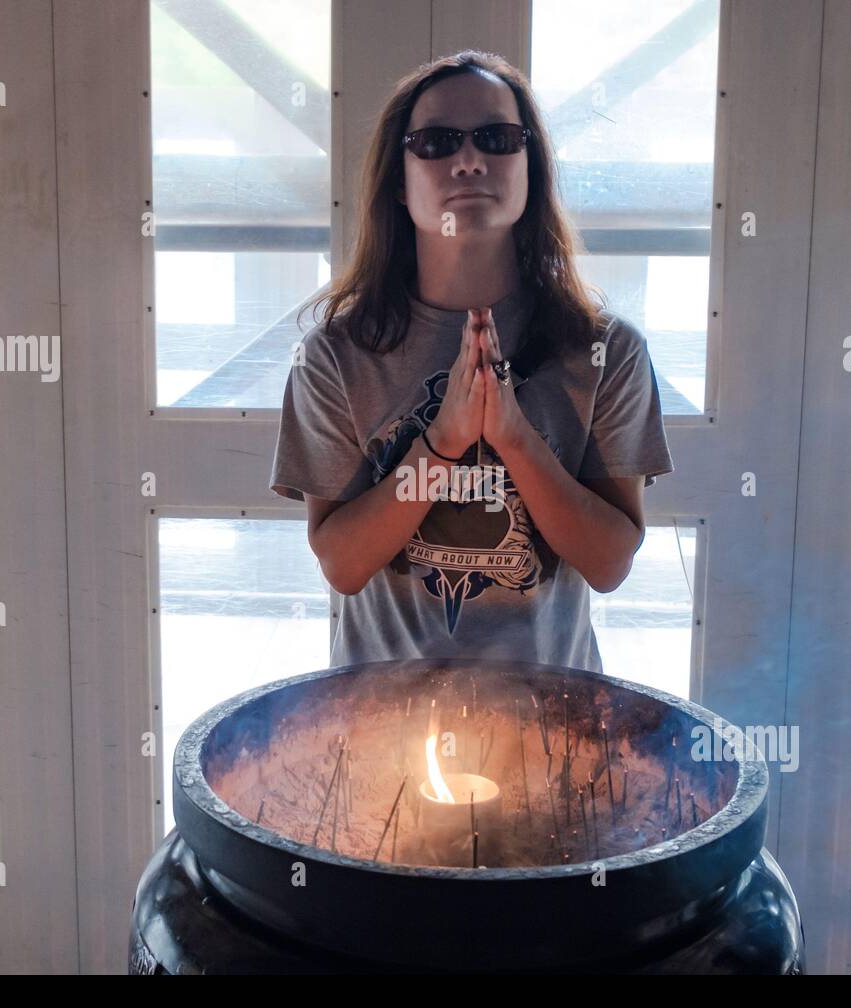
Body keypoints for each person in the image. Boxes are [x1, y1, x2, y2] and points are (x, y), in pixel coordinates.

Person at [270, 49, 673, 672]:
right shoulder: (334, 355)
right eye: (435, 142)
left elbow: (609, 562)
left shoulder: (606, 350)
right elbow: (343, 565)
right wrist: (440, 446)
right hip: (381, 725)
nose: (468, 160)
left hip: (555, 729)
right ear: (398, 183)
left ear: (530, 168)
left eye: (497, 137)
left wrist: (514, 438)